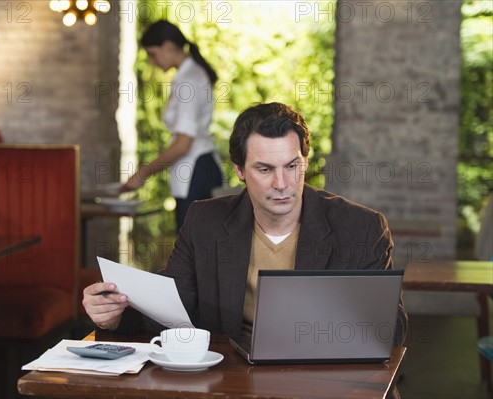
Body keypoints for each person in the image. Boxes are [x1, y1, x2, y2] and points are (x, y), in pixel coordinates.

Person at [84, 102, 408, 346]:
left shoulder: (362, 228)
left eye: (292, 166)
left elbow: (392, 332)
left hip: (323, 377)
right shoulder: (205, 222)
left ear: (305, 162)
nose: (282, 183)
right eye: (265, 169)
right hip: (235, 379)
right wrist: (112, 316)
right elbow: (171, 309)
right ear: (240, 171)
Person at [122, 20, 223, 230]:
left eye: (152, 54)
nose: (151, 61)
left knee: (193, 253)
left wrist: (142, 174)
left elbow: (182, 144)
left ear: (168, 46)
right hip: (196, 170)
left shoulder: (189, 81)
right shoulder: (187, 76)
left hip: (196, 171)